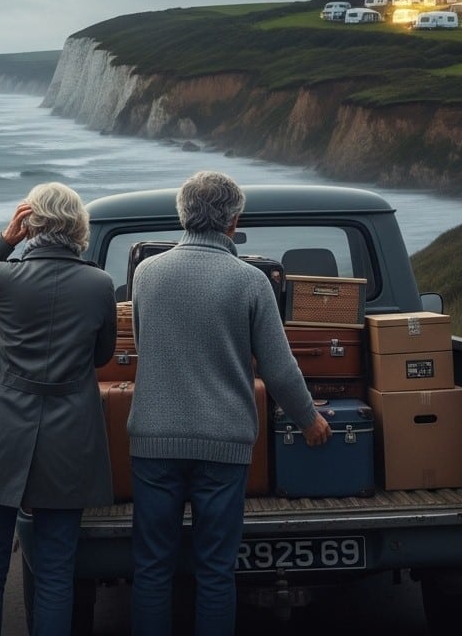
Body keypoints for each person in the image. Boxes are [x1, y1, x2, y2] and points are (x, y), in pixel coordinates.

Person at [127, 170, 331, 635]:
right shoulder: (251, 282)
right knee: (216, 572)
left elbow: (143, 345)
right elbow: (278, 368)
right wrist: (309, 420)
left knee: (152, 569)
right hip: (224, 444)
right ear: (233, 220)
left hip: (153, 440)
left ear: (182, 215)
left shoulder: (145, 274)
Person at [0, 182, 118, 636]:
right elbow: (102, 356)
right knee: (57, 571)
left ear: (30, 223)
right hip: (69, 437)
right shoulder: (99, 286)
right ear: (79, 227)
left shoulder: (4, 277)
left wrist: (3, 239)